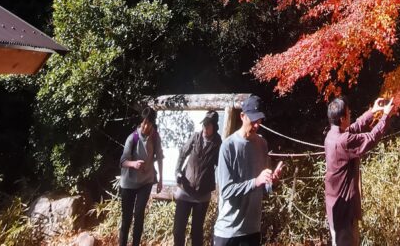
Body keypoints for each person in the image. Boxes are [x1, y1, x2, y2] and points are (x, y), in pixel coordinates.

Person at [213, 94, 283, 246]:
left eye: (259, 120)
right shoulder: (228, 146)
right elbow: (226, 191)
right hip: (228, 230)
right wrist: (256, 181)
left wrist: (272, 183)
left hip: (252, 229)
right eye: (253, 119)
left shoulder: (262, 144)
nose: (257, 124)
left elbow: (263, 188)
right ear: (242, 116)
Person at [324, 95, 393, 246]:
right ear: (342, 118)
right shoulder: (343, 141)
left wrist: (373, 111)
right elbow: (371, 138)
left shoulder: (332, 135)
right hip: (344, 209)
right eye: (348, 113)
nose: (350, 116)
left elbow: (353, 128)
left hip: (335, 205)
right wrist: (386, 116)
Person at [173, 110, 222, 246]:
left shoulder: (218, 143)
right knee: (178, 230)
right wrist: (177, 171)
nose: (205, 128)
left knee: (196, 232)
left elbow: (221, 164)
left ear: (214, 126)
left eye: (208, 125)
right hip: (186, 188)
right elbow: (182, 153)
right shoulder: (195, 137)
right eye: (204, 124)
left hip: (203, 192)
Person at [118, 106, 164, 246]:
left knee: (139, 215)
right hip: (128, 183)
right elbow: (122, 162)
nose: (145, 126)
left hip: (146, 181)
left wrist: (161, 179)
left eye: (149, 123)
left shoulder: (155, 137)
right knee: (126, 218)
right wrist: (133, 164)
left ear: (152, 124)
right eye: (144, 122)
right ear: (140, 122)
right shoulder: (132, 138)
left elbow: (160, 157)